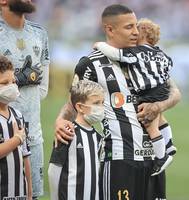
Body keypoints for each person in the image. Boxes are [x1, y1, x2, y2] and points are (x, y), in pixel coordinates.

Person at [55, 4, 181, 200]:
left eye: (136, 26)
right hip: (120, 160)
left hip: (155, 159)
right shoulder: (90, 64)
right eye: (129, 27)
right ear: (110, 29)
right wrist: (60, 120)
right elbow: (72, 104)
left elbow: (175, 94)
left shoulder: (146, 58)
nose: (136, 32)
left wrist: (158, 106)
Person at [93, 18, 177, 169]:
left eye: (137, 30)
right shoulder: (161, 54)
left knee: (150, 124)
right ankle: (169, 144)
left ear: (143, 33)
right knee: (160, 117)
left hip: (148, 91)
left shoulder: (136, 53)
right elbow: (169, 65)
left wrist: (99, 45)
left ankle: (161, 157)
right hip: (162, 88)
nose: (134, 33)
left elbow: (115, 53)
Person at [0, 0, 50, 199]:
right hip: (3, 134)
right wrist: (19, 80)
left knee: (32, 195)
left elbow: (42, 89)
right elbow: (30, 81)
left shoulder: (40, 33)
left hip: (32, 135)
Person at [48, 80, 104, 200]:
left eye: (102, 103)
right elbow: (54, 170)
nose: (101, 107)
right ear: (80, 107)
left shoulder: (99, 137)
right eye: (96, 103)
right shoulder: (67, 132)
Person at [0, 55, 32, 200]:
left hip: (19, 194)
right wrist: (17, 139)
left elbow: (25, 157)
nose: (11, 86)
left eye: (13, 81)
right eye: (4, 83)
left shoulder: (18, 116)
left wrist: (29, 194)